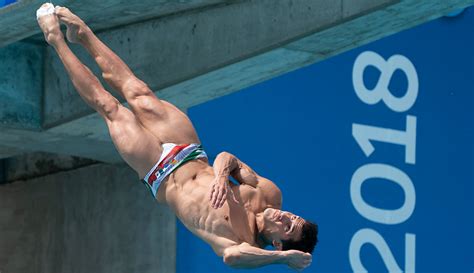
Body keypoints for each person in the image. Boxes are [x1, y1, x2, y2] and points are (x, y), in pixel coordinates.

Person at [36, 3, 318, 270]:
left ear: (279, 243)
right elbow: (227, 158)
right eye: (293, 216)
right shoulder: (270, 195)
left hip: (158, 172)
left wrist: (280, 259)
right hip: (188, 150)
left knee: (109, 108)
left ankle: (55, 39)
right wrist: (221, 177)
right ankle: (82, 33)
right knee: (138, 91)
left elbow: (231, 257)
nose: (285, 216)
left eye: (288, 226)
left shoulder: (241, 242)